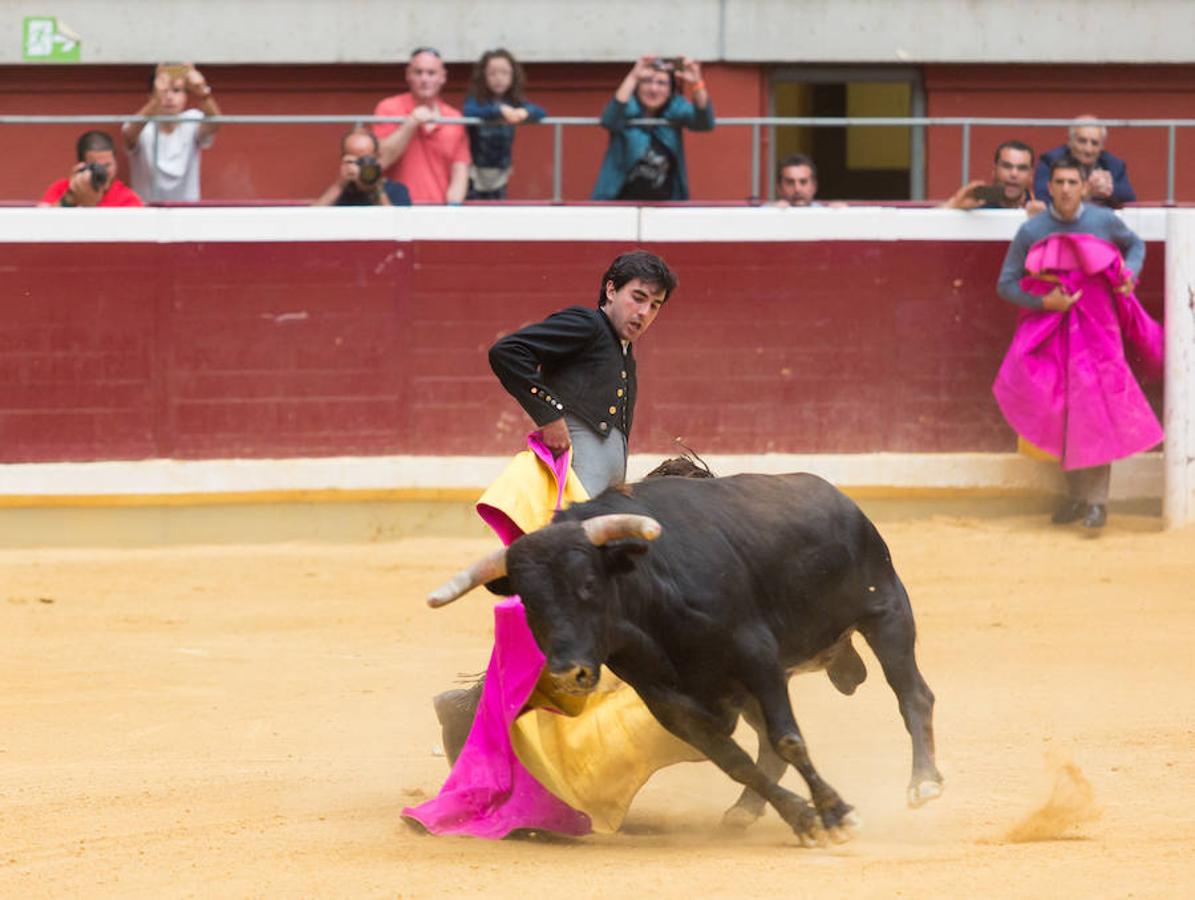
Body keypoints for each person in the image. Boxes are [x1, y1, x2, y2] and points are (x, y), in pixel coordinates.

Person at [432, 250, 679, 762]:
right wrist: (548, 413)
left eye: (654, 306)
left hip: (592, 498)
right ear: (610, 290)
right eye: (637, 297)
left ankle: (475, 708)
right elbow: (508, 351)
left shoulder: (622, 351)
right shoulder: (586, 325)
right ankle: (478, 711)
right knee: (558, 622)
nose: (644, 313)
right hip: (568, 510)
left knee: (567, 623)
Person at [993, 155, 1163, 529]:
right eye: (1060, 183)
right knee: (1060, 414)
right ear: (1050, 187)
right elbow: (1005, 284)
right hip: (1052, 332)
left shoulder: (1103, 221)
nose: (1066, 189)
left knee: (1097, 413)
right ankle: (1076, 497)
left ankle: (1097, 504)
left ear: (1084, 187)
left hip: (1100, 333)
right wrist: (1044, 302)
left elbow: (1136, 246)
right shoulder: (1032, 231)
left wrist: (1129, 275)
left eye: (1073, 183)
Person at [592, 56, 714, 201]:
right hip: (620, 205)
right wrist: (633, 76)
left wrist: (697, 82)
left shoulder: (675, 111)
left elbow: (705, 123)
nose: (653, 89)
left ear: (670, 90)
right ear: (637, 87)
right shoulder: (626, 112)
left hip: (666, 207)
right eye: (647, 81)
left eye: (662, 83)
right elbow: (609, 119)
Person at [373, 47, 470, 205]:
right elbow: (381, 160)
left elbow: (460, 168)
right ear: (408, 75)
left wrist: (453, 207)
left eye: (431, 73)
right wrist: (410, 123)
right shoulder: (389, 108)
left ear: (442, 77)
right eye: (418, 72)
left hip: (437, 213)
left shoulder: (454, 117)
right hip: (394, 210)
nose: (424, 79)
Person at [122, 63, 221, 202]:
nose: (169, 97)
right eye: (163, 91)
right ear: (151, 95)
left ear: (185, 96)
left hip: (186, 214)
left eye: (176, 90)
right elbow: (129, 134)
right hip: (148, 216)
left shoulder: (192, 120)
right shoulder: (142, 127)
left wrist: (202, 91)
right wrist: (156, 100)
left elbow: (215, 123)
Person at [462, 48, 546, 200]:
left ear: (513, 76)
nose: (498, 78)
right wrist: (497, 110)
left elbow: (541, 112)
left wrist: (525, 112)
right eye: (492, 73)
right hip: (474, 172)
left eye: (504, 73)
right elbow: (469, 111)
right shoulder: (477, 100)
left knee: (498, 212)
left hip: (500, 173)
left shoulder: (514, 101)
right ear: (483, 77)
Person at [1033, 115, 1136, 209]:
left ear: (1102, 147)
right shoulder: (1050, 160)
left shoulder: (1112, 164)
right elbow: (1042, 196)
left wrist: (1108, 188)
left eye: (1094, 143)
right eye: (1082, 141)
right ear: (1070, 141)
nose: (1088, 150)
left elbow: (1129, 196)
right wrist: (1085, 191)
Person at [38, 131, 143, 208]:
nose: (104, 172)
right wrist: (69, 199)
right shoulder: (62, 189)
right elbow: (41, 226)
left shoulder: (127, 198)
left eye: (107, 165)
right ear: (81, 166)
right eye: (96, 166)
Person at [312, 129, 411, 206]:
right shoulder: (340, 192)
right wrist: (340, 185)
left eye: (366, 159)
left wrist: (375, 188)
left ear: (377, 159)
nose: (361, 166)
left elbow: (397, 227)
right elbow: (309, 221)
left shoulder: (396, 190)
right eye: (355, 160)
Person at [943, 140, 1046, 213]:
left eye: (1022, 168)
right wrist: (954, 205)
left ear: (1030, 175)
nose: (1014, 174)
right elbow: (929, 227)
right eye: (1006, 166)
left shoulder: (1043, 207)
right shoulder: (977, 204)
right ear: (994, 171)